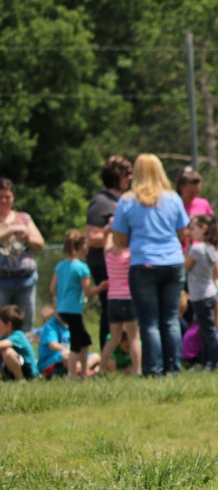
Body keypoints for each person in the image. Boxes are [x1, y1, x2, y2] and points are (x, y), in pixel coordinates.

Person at [111, 153, 189, 377]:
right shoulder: (173, 198)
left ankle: (153, 370)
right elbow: (183, 233)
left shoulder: (127, 200)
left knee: (149, 323)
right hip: (173, 262)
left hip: (143, 264)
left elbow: (120, 239)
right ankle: (173, 368)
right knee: (170, 319)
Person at [85, 156, 133, 345]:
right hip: (105, 265)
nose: (130, 177)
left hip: (121, 264)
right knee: (111, 310)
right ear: (115, 176)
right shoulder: (101, 202)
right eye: (126, 173)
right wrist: (115, 233)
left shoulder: (121, 200)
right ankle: (108, 352)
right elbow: (91, 237)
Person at [50, 229, 106, 379]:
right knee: (76, 342)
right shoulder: (82, 268)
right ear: (81, 246)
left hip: (62, 308)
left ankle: (85, 371)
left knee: (85, 339)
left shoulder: (60, 266)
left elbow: (52, 288)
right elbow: (88, 291)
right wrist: (101, 287)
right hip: (73, 309)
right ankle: (72, 374)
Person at [0, 177, 46, 332]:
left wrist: (27, 238)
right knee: (2, 326)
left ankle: (23, 348)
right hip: (2, 283)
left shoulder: (24, 218)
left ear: (13, 197)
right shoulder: (15, 225)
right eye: (0, 197)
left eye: (7, 196)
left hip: (25, 281)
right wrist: (12, 230)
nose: (4, 200)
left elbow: (40, 243)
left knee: (25, 326)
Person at [98, 227, 141, 376]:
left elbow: (105, 239)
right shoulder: (129, 256)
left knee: (114, 338)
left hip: (112, 300)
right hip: (128, 298)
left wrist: (110, 229)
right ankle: (137, 370)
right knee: (134, 337)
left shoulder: (109, 256)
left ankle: (101, 369)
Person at [184, 214, 218, 370]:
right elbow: (216, 273)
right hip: (210, 291)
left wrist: (187, 247)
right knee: (207, 330)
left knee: (208, 331)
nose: (190, 232)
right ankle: (209, 361)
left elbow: (185, 267)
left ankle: (214, 363)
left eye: (193, 228)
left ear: (203, 228)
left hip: (200, 295)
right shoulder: (210, 248)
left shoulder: (197, 249)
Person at [0, 305, 37, 381]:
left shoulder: (18, 335)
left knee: (7, 352)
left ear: (9, 324)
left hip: (28, 373)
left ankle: (20, 380)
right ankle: (5, 377)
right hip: (16, 369)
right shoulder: (4, 337)